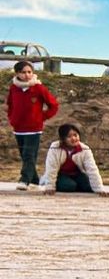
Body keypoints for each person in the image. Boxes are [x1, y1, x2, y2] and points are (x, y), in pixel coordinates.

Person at [9, 59, 59, 190]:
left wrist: (41, 117)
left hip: (33, 129)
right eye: (23, 72)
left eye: (29, 72)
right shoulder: (14, 88)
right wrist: (12, 118)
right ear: (17, 73)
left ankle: (24, 180)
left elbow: (53, 105)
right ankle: (35, 181)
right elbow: (10, 105)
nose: (27, 75)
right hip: (18, 128)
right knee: (25, 155)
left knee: (29, 155)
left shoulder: (38, 88)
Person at [39, 122, 109, 194]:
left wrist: (100, 189)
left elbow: (92, 169)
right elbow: (51, 168)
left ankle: (76, 185)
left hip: (77, 174)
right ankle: (71, 186)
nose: (73, 138)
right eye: (69, 137)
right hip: (60, 175)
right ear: (63, 139)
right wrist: (50, 187)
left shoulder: (84, 149)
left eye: (75, 135)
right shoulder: (55, 147)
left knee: (89, 186)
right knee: (69, 186)